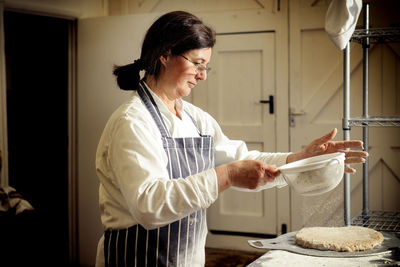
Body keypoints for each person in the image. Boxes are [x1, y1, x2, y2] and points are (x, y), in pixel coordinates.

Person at [95, 10, 367, 267]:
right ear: (165, 55)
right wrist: (226, 177)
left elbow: (243, 160)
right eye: (197, 64)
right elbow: (150, 206)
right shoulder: (132, 122)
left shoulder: (194, 118)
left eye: (206, 67)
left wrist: (301, 160)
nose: (202, 76)